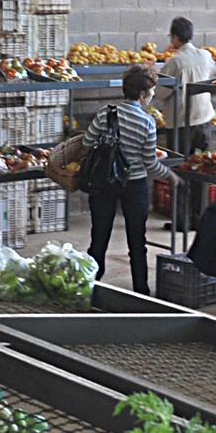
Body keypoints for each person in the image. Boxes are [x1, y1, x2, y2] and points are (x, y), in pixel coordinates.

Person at [82, 67, 162, 293]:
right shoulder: (147, 122)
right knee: (137, 241)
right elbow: (149, 160)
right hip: (134, 185)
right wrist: (170, 175)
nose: (153, 94)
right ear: (143, 94)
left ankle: (91, 286)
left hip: (103, 183)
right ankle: (142, 291)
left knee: (99, 238)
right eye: (152, 90)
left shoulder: (105, 113)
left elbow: (87, 143)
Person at [157, 16, 216, 154]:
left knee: (181, 165)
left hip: (182, 122)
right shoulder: (206, 55)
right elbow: (212, 77)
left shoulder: (175, 61)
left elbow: (161, 93)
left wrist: (156, 75)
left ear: (174, 37)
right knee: (202, 163)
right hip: (204, 117)